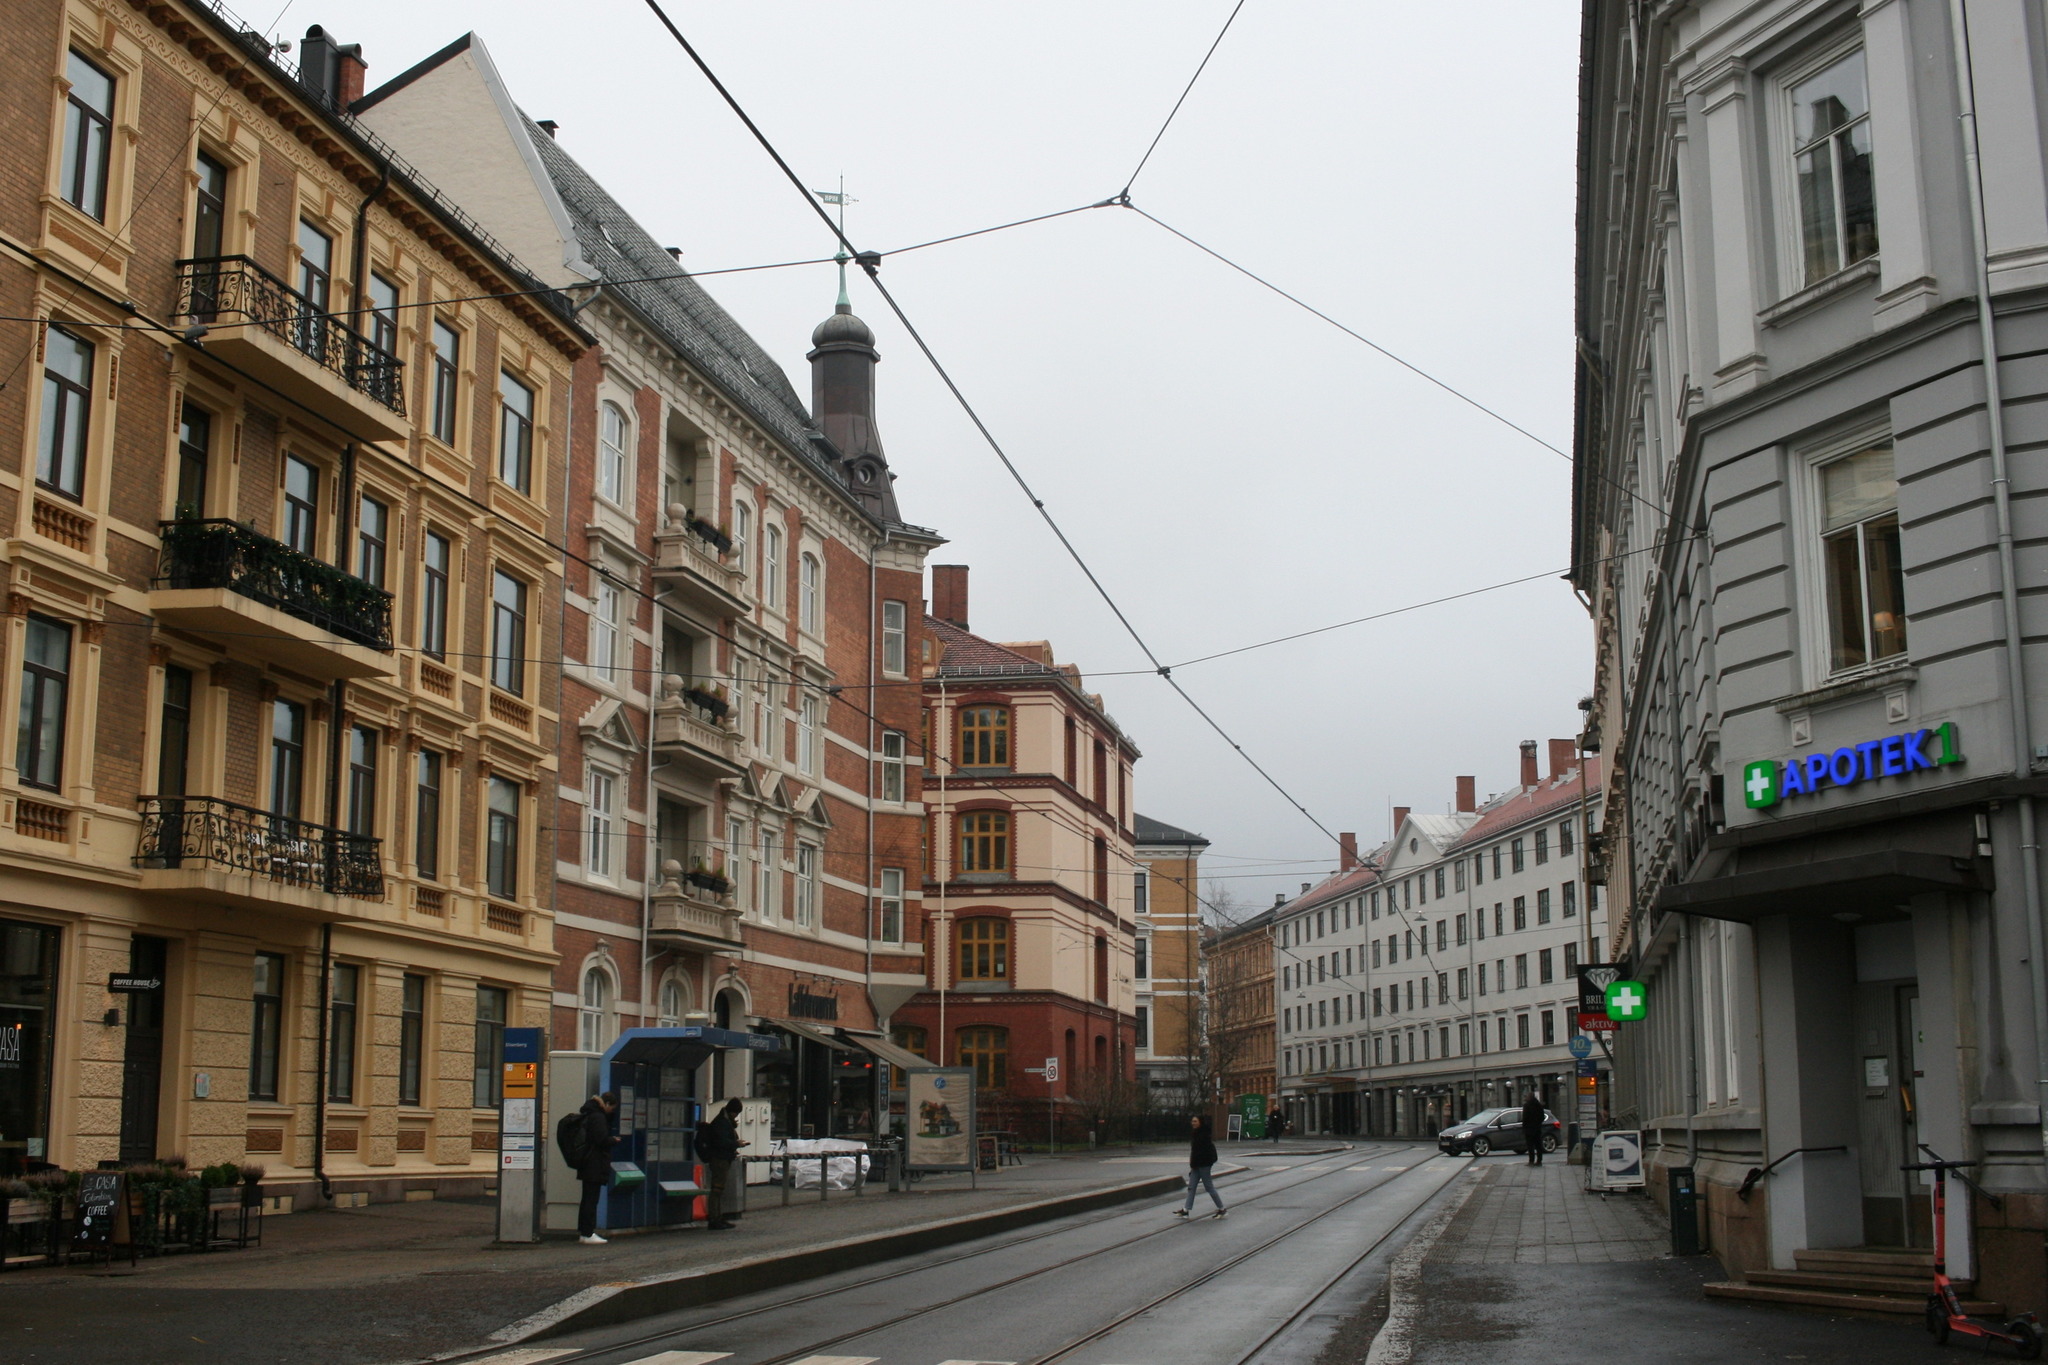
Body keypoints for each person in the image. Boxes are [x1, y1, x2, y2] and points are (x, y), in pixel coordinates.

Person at [575, 1091, 620, 1245]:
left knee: (587, 1198)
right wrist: (613, 1140)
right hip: (594, 1163)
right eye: (612, 1108)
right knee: (591, 1200)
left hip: (587, 1162)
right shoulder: (598, 1117)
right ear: (606, 1104)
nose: (612, 1111)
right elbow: (601, 1139)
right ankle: (588, 1233)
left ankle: (584, 1232)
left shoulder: (590, 1113)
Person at [696, 1097, 747, 1230]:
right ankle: (714, 1219)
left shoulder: (722, 1121)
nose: (736, 1116)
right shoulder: (722, 1123)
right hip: (720, 1160)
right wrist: (736, 1144)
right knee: (717, 1190)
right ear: (732, 1111)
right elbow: (721, 1142)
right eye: (736, 1113)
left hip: (721, 1158)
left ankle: (717, 1217)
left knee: (718, 1189)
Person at [1177, 1115, 1226, 1220]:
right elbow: (1195, 1152)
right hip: (1196, 1165)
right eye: (1192, 1121)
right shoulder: (1196, 1133)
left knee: (1209, 1187)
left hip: (1203, 1165)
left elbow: (1202, 1152)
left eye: (1195, 1121)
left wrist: (1198, 1164)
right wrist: (1193, 1166)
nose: (1193, 1123)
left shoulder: (1203, 1135)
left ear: (1200, 1122)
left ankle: (1221, 1208)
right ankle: (1186, 1209)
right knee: (1191, 1187)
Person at [1521, 1092, 1547, 1166]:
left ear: (1529, 1097)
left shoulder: (1526, 1106)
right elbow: (1542, 1117)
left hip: (1529, 1129)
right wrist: (1538, 1123)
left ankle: (1531, 1161)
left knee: (1530, 1146)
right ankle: (1539, 1161)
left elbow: (1525, 1118)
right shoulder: (1538, 1105)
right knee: (1538, 1145)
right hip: (1537, 1128)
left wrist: (1524, 1127)